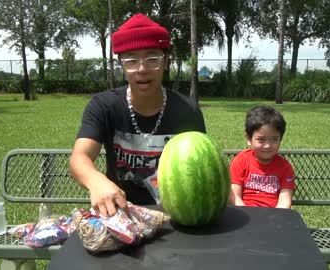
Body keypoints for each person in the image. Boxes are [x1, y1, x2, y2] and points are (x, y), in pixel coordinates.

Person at [69, 13, 206, 217]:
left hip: (175, 215)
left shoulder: (187, 111)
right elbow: (80, 157)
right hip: (120, 213)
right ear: (121, 65)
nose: (142, 69)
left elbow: (200, 165)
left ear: (166, 60)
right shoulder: (104, 106)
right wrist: (96, 181)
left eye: (152, 58)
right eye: (131, 60)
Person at [229, 106, 295, 208]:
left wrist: (275, 220)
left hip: (273, 218)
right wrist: (246, 216)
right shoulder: (240, 161)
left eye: (274, 139)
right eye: (261, 139)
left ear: (281, 139)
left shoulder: (285, 167)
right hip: (245, 215)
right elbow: (234, 197)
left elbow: (285, 201)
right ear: (248, 139)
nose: (267, 145)